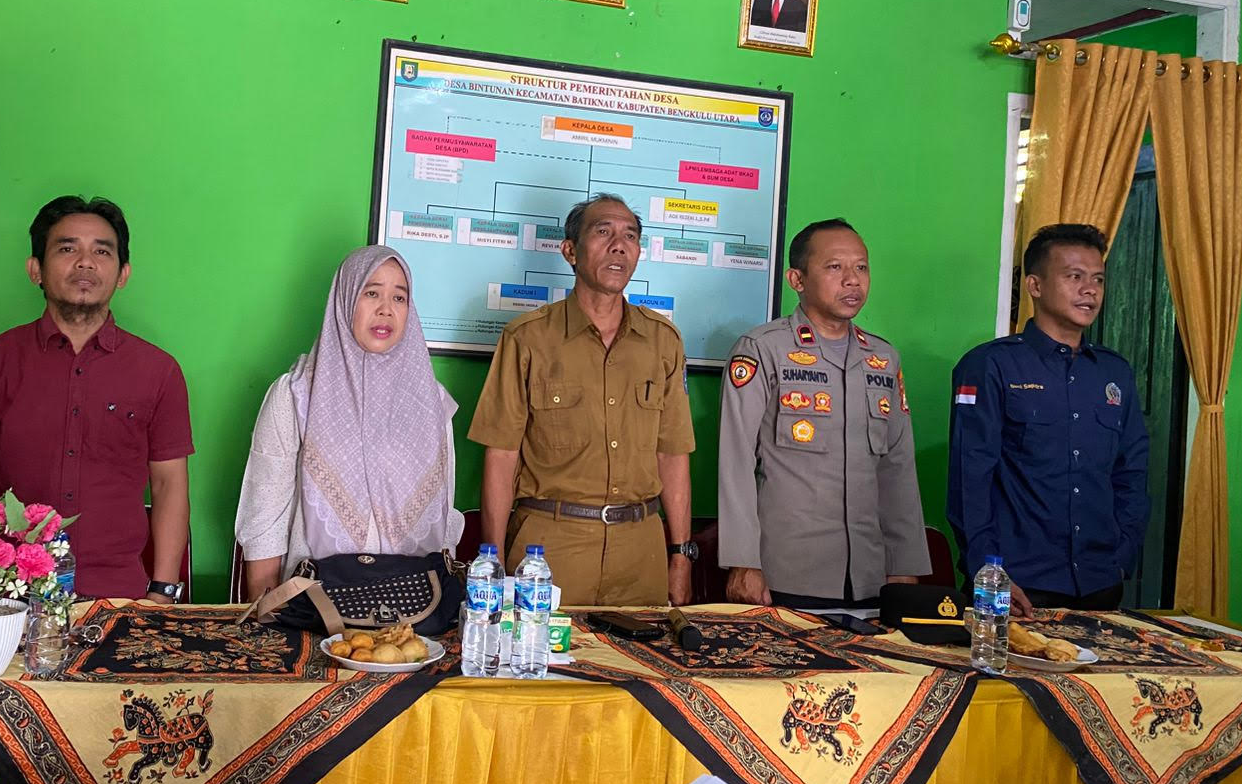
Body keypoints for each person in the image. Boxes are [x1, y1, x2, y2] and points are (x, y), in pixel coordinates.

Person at [0, 196, 193, 603]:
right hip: (4, 595)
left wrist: (162, 591)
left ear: (123, 274)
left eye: (102, 252)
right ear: (35, 269)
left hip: (118, 595)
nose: (85, 263)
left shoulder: (158, 371)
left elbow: (169, 485)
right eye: (67, 248)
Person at [468, 194, 697, 606]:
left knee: (647, 650)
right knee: (543, 650)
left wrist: (680, 554)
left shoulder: (663, 341)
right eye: (603, 231)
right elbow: (501, 455)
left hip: (640, 550)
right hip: (549, 550)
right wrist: (494, 565)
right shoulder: (528, 338)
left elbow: (672, 453)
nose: (619, 245)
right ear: (570, 251)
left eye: (630, 236)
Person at [718, 219, 929, 608]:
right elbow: (735, 462)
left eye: (861, 267)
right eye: (835, 267)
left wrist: (904, 562)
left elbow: (897, 468)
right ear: (796, 279)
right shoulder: (763, 349)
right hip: (787, 572)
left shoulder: (883, 358)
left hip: (871, 576)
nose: (852, 280)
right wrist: (743, 561)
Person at [235, 246, 462, 600]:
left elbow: (444, 520)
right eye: (371, 293)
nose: (386, 309)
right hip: (312, 604)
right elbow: (266, 516)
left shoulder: (431, 402)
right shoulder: (295, 395)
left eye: (399, 297)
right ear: (344, 300)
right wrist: (266, 613)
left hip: (410, 606)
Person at [948, 223, 1149, 614]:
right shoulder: (991, 365)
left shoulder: (1114, 373)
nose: (1090, 290)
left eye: (1098, 279)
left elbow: (1131, 473)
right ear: (1035, 286)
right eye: (1074, 277)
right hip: (1018, 584)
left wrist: (1122, 556)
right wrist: (989, 573)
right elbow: (968, 481)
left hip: (1100, 583)